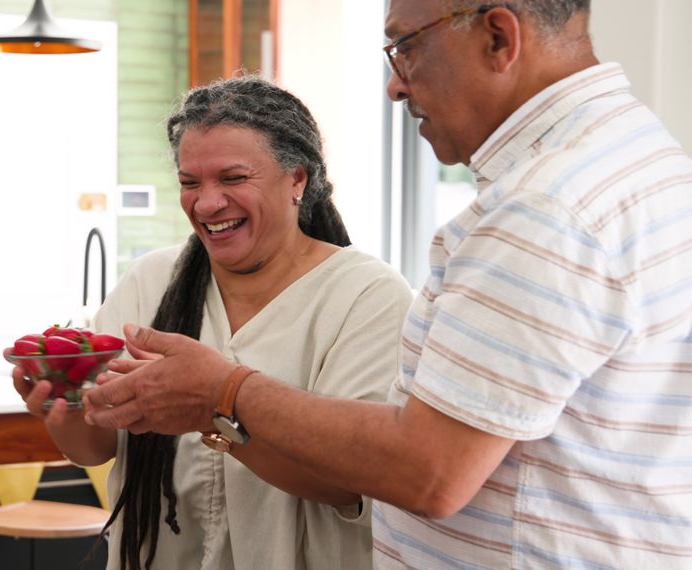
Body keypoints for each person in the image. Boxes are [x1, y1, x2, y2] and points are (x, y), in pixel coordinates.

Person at [84, 1, 692, 568]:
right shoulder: (637, 163)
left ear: (498, 37)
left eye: (405, 46)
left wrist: (223, 393)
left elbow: (429, 474)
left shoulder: (544, 208)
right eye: (191, 180)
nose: (395, 84)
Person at [11, 76, 413, 569]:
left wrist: (214, 409)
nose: (206, 203)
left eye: (233, 178)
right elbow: (96, 448)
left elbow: (347, 479)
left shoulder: (366, 296)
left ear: (297, 179)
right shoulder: (151, 281)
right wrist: (67, 405)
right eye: (189, 182)